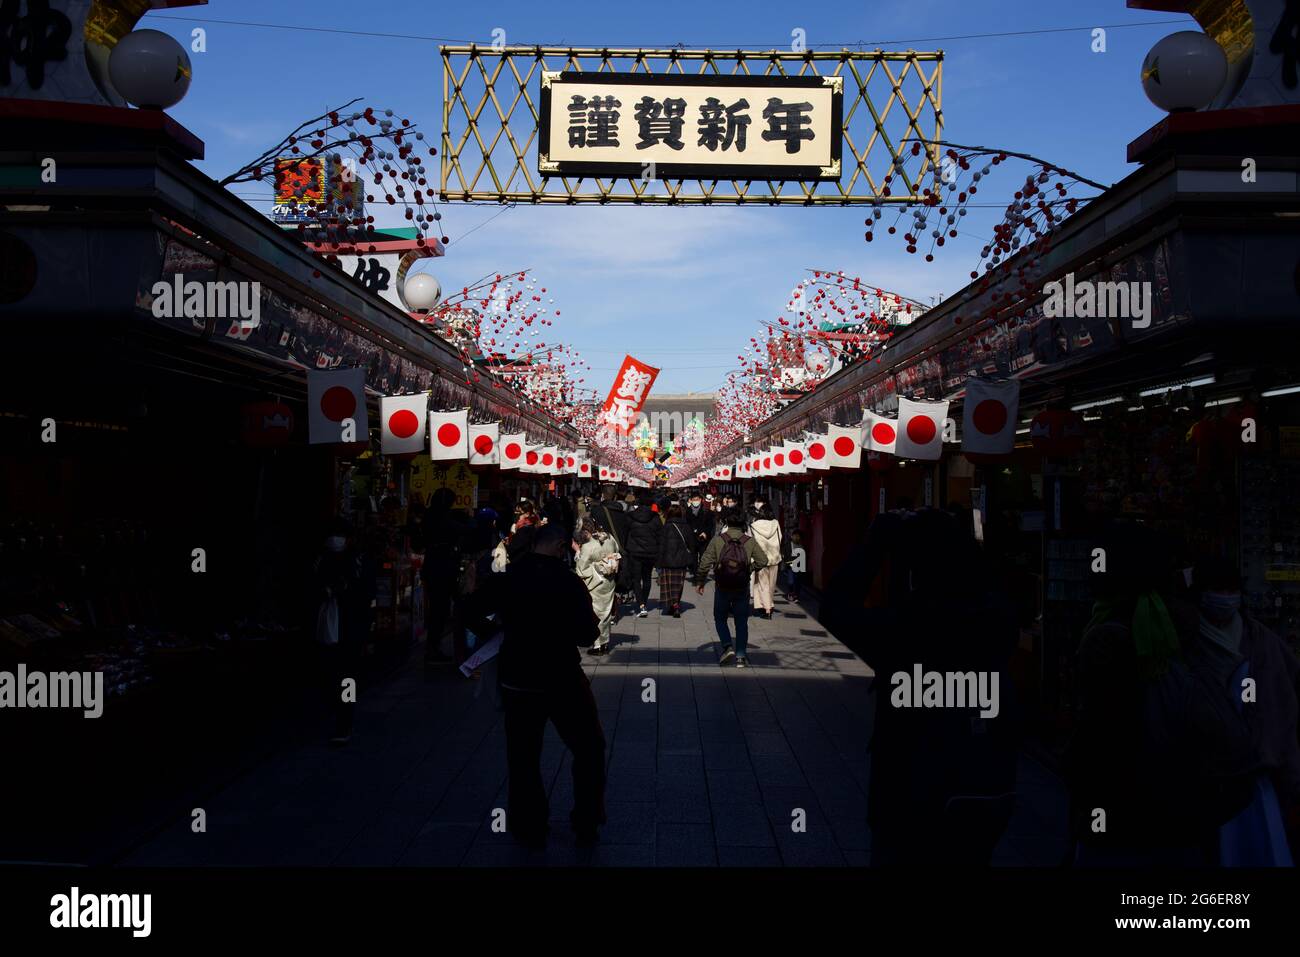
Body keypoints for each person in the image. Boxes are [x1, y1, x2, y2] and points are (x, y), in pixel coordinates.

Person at [819, 507, 1019, 865]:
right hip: (980, 790)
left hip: (908, 795)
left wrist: (874, 545)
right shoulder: (997, 619)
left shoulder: (908, 629)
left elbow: (835, 608)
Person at [1065, 523, 1255, 866]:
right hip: (1180, 824)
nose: (1090, 570)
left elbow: (1096, 746)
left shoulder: (1106, 637)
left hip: (1122, 823)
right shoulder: (1187, 628)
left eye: (1098, 561)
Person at [468, 524, 606, 848]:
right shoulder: (569, 582)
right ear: (559, 546)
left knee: (524, 756)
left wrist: (494, 633)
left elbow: (467, 610)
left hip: (519, 679)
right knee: (589, 749)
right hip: (563, 679)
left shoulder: (508, 579)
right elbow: (587, 635)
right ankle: (585, 821)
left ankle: (530, 826)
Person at [1188, 557, 1299, 865]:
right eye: (1216, 590)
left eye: (1230, 589)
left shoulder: (1261, 640)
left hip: (1256, 770)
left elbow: (1285, 705)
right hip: (1208, 777)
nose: (1225, 597)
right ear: (1201, 593)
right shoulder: (1185, 643)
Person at [312, 519, 377, 745]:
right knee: (334, 673)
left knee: (346, 674)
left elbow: (368, 593)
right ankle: (339, 716)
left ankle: (344, 720)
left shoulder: (359, 561)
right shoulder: (321, 560)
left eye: (340, 535)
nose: (335, 540)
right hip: (332, 624)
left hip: (350, 626)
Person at [697, 508, 769, 668]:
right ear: (743, 523)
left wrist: (700, 581)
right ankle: (741, 656)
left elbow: (704, 563)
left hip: (722, 585)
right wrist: (748, 569)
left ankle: (727, 646)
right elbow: (763, 561)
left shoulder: (718, 540)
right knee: (741, 622)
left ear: (726, 522)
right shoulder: (749, 541)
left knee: (720, 618)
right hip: (741, 587)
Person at [421, 488, 461, 664]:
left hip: (433, 565)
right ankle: (433, 648)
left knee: (438, 608)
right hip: (441, 567)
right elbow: (459, 529)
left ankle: (434, 646)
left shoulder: (430, 515)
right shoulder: (442, 518)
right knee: (440, 608)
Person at [574, 516, 620, 655]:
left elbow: (582, 568)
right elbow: (616, 550)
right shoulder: (609, 538)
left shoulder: (588, 546)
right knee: (605, 612)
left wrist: (578, 554)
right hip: (609, 579)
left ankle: (598, 645)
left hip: (596, 581)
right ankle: (605, 642)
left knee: (596, 613)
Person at [622, 495, 662, 618]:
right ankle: (643, 601)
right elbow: (660, 536)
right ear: (651, 505)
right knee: (647, 578)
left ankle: (641, 604)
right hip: (650, 552)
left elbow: (625, 533)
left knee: (636, 579)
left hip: (634, 552)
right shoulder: (655, 518)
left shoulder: (630, 516)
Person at [656, 504, 694, 618]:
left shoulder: (666, 526)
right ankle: (676, 604)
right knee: (678, 585)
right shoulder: (686, 526)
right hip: (681, 561)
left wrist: (658, 562)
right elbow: (692, 544)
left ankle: (673, 605)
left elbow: (661, 545)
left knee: (668, 584)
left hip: (667, 561)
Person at [748, 501, 783, 620]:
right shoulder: (776, 523)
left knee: (763, 584)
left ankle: (767, 609)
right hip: (774, 557)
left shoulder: (754, 525)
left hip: (760, 558)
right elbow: (780, 537)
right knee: (772, 584)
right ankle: (768, 606)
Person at [685, 491, 716, 585]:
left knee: (703, 558)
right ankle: (695, 576)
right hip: (692, 539)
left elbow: (711, 525)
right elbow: (686, 524)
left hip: (703, 538)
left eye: (697, 499)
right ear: (691, 500)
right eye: (694, 500)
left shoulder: (706, 511)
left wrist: (706, 532)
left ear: (701, 500)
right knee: (693, 558)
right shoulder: (687, 511)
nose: (695, 501)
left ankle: (701, 576)